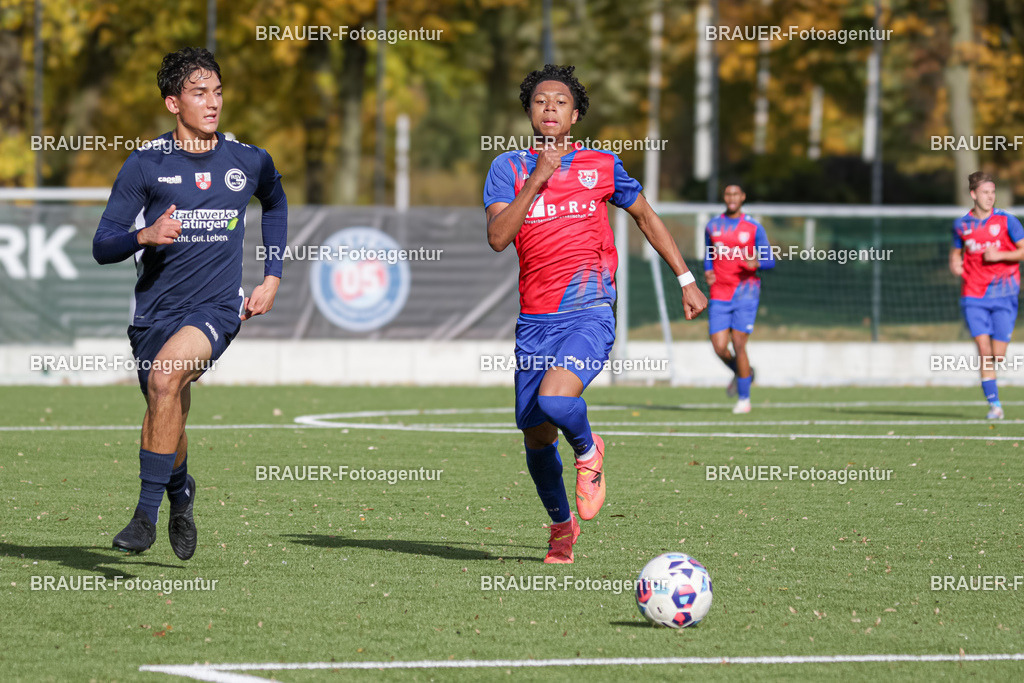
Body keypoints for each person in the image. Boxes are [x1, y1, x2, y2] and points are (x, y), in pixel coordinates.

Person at [483, 64, 707, 563]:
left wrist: (686, 279)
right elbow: (499, 238)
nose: (550, 109)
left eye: (560, 102)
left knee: (559, 402)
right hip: (535, 322)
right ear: (528, 111)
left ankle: (589, 452)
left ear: (576, 114)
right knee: (537, 432)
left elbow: (645, 215)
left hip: (589, 310)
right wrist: (537, 180)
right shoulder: (507, 168)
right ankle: (561, 527)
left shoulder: (602, 165)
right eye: (540, 101)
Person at [92, 47, 288, 558]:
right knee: (166, 402)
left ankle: (143, 517)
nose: (213, 102)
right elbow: (102, 243)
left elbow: (275, 199)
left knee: (164, 379)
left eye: (218, 92)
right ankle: (181, 493)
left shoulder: (247, 159)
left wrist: (272, 276)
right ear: (172, 103)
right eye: (199, 93)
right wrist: (144, 235)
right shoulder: (146, 164)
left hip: (217, 308)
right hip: (154, 314)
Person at [950, 171, 1024, 420]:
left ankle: (993, 393)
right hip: (973, 294)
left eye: (993, 192)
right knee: (983, 350)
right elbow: (955, 253)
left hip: (1005, 294)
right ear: (973, 194)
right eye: (985, 192)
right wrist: (955, 263)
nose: (990, 197)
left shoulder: (1008, 222)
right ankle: (995, 406)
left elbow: (1022, 251)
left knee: (997, 355)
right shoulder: (961, 225)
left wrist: (1000, 255)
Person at [703, 183, 775, 414]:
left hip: (746, 292)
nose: (731, 197)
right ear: (724, 197)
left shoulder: (753, 227)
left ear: (743, 197)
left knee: (739, 343)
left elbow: (770, 260)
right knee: (719, 346)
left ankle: (744, 399)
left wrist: (758, 263)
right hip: (719, 292)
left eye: (736, 194)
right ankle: (744, 373)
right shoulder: (713, 226)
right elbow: (708, 253)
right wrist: (708, 270)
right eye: (727, 194)